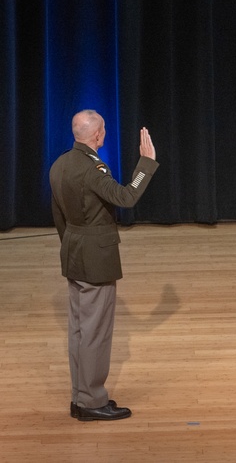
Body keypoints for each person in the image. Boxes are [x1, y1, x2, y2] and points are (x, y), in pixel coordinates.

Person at [50, 111, 159, 421]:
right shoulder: (93, 169)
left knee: (80, 331)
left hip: (74, 254)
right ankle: (91, 402)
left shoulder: (59, 165)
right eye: (104, 130)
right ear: (97, 136)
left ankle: (80, 396)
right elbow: (125, 197)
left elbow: (59, 218)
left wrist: (72, 248)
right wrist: (146, 164)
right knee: (95, 333)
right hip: (96, 259)